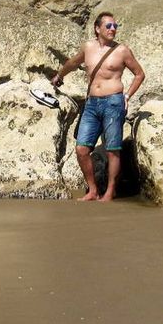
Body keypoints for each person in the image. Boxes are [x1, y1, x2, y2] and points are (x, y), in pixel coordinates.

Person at [51, 11, 145, 202]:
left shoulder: (122, 50)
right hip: (92, 104)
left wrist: (127, 95)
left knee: (112, 149)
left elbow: (139, 74)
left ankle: (110, 191)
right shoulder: (88, 47)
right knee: (82, 149)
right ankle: (93, 190)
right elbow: (73, 62)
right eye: (108, 26)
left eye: (115, 26)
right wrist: (60, 76)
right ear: (97, 28)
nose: (113, 29)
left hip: (113, 102)